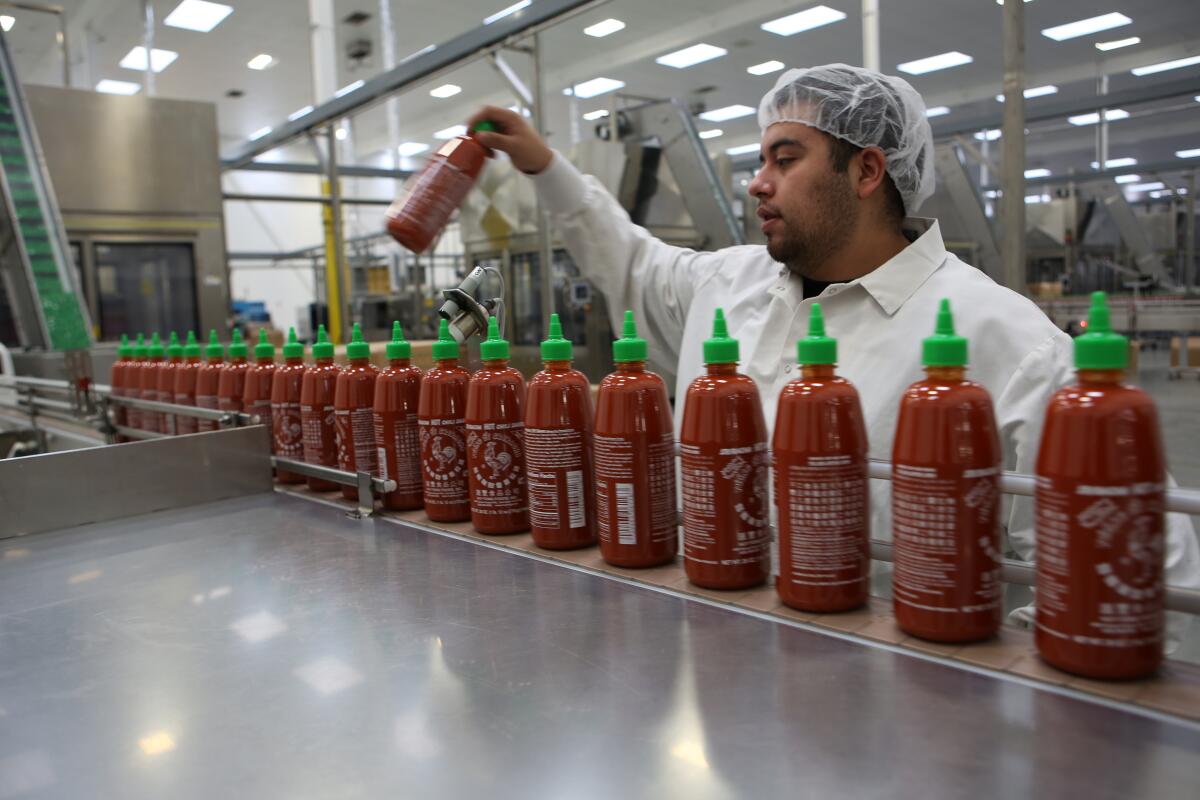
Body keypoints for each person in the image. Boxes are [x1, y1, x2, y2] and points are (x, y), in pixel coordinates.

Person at [466, 63, 1199, 619]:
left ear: (867, 170)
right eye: (761, 162)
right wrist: (543, 164)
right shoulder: (728, 286)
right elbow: (628, 260)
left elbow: (1146, 571)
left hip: (888, 689)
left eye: (785, 159)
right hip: (707, 642)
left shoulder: (1006, 340)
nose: (758, 183)